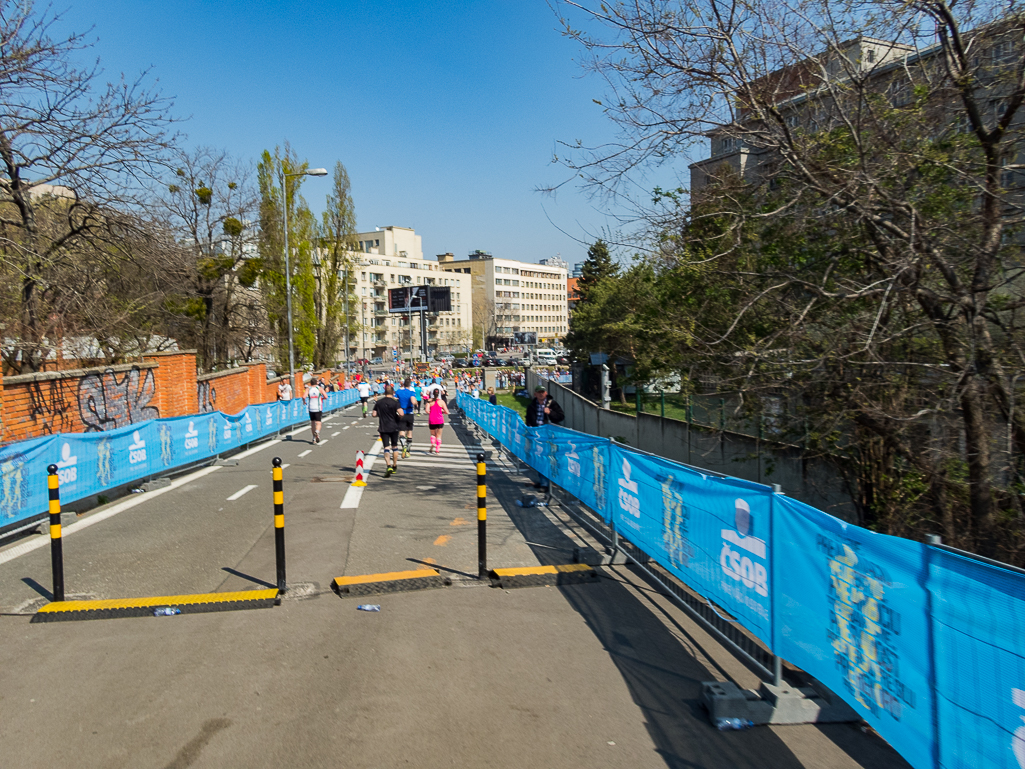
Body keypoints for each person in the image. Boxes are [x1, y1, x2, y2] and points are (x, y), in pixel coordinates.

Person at [524, 385, 564, 489]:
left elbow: (561, 416)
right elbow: (528, 419)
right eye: (539, 392)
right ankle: (543, 482)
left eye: (543, 392)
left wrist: (550, 412)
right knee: (539, 459)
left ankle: (548, 483)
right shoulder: (532, 405)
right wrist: (529, 428)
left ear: (546, 393)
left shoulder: (552, 404)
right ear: (535, 394)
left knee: (548, 459)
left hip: (549, 437)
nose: (541, 394)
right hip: (537, 436)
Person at [372, 384, 404, 476]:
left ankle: (388, 465)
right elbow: (401, 413)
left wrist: (380, 414)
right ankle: (394, 465)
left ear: (384, 392)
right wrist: (398, 416)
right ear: (393, 392)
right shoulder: (395, 402)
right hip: (394, 426)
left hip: (383, 427)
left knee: (386, 447)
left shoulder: (379, 402)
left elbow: (374, 414)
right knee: (394, 446)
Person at [396, 378, 418, 458]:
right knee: (409, 432)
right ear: (409, 384)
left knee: (401, 431)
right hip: (409, 413)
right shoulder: (411, 392)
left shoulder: (398, 392)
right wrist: (415, 403)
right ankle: (408, 451)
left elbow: (394, 399)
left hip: (401, 413)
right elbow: (413, 401)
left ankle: (403, 446)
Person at [427, 389, 450, 454]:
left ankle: (432, 443)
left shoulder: (429, 401)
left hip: (432, 419)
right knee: (439, 435)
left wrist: (431, 412)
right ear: (439, 394)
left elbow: (426, 410)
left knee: (433, 434)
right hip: (440, 420)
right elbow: (447, 411)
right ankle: (437, 449)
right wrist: (442, 411)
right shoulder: (441, 402)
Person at [306, 378, 326, 443]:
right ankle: (317, 432)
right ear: (316, 383)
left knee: (312, 423)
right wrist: (322, 398)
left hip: (311, 408)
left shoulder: (308, 389)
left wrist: (304, 401)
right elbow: (326, 396)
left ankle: (314, 438)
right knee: (318, 422)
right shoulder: (320, 388)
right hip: (318, 407)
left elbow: (303, 396)